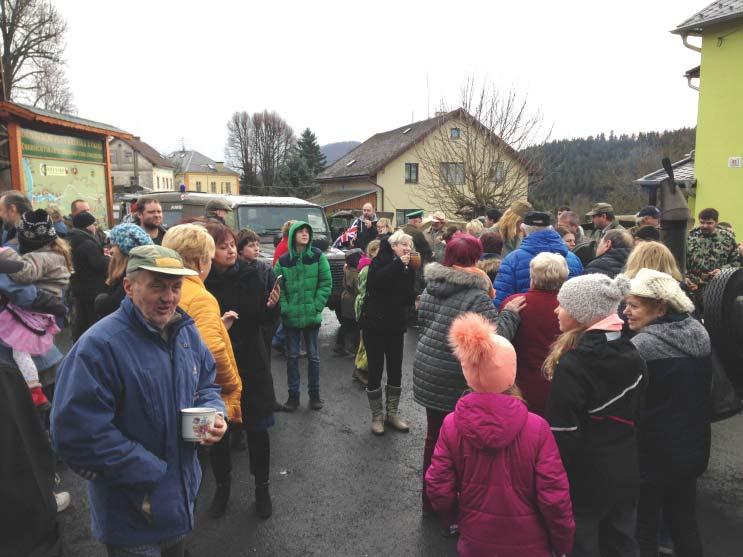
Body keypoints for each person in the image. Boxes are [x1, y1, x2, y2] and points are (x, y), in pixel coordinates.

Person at [51, 245, 227, 556]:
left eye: (175, 287)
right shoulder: (99, 347)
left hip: (180, 502)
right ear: (129, 287)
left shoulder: (185, 333)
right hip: (131, 516)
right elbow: (76, 435)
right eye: (157, 285)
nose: (169, 297)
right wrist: (152, 473)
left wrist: (214, 415)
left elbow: (206, 383)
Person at [426, 312, 575, 557]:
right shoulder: (537, 428)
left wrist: (454, 518)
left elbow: (438, 485)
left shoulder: (452, 424)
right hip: (531, 543)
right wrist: (563, 543)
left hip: (475, 540)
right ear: (511, 373)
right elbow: (554, 496)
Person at [544, 273, 646, 557]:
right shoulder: (632, 352)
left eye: (563, 305)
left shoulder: (573, 364)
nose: (556, 309)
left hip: (584, 479)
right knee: (623, 542)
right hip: (625, 470)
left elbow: (562, 433)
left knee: (583, 545)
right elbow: (639, 413)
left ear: (582, 314)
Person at [624, 269, 711, 557]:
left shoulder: (642, 346)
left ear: (660, 307)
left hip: (652, 451)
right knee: (685, 522)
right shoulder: (699, 333)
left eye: (634, 306)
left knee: (644, 527)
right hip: (692, 446)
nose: (626, 312)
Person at [162, 224, 243, 520]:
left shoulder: (170, 288)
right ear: (199, 261)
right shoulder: (201, 295)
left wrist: (218, 323)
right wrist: (233, 385)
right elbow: (213, 351)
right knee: (205, 450)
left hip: (175, 388)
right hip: (200, 392)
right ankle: (208, 500)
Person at [413, 234, 497, 514]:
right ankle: (453, 507)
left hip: (427, 368)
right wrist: (510, 314)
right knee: (460, 444)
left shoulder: (431, 287)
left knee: (434, 438)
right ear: (476, 259)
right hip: (456, 376)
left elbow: (422, 323)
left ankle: (430, 500)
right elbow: (492, 343)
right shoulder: (477, 296)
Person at [205, 224, 280, 519]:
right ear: (210, 251)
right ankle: (222, 488)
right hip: (217, 366)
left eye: (232, 244)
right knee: (218, 432)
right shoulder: (203, 284)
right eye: (223, 246)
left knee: (258, 429)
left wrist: (273, 307)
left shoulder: (255, 274)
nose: (231, 250)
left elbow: (264, 319)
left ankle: (262, 488)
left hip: (251, 361)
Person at [0, 209, 72, 410]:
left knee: (19, 350)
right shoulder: (53, 253)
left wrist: (7, 254)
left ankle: (35, 390)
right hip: (42, 321)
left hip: (35, 317)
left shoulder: (42, 257)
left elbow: (23, 277)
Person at [495, 253, 569, 416]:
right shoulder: (569, 309)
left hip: (519, 386)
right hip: (560, 385)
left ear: (532, 278)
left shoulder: (515, 303)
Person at [359, 230, 416, 435]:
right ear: (393, 247)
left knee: (395, 370)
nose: (408, 248)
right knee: (375, 370)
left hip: (395, 326)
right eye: (403, 245)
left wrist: (409, 273)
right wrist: (399, 266)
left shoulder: (406, 267)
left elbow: (408, 297)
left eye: (409, 245)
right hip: (374, 326)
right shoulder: (377, 264)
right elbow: (378, 283)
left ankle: (392, 414)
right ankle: (377, 416)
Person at [274, 221, 332, 411]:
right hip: (291, 319)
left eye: (307, 231)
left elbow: (325, 283)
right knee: (291, 357)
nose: (305, 234)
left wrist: (317, 306)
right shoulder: (283, 261)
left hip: (311, 317)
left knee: (314, 357)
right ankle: (293, 397)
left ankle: (314, 395)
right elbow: (278, 289)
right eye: (301, 231)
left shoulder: (317, 256)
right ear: (293, 235)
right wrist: (285, 308)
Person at [493, 211, 583, 308]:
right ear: (551, 229)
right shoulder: (573, 259)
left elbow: (500, 302)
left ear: (522, 230)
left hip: (525, 319)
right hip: (565, 319)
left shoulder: (512, 260)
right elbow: (580, 297)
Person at [685, 207, 739, 313]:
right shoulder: (690, 236)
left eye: (709, 223)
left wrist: (721, 270)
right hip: (692, 284)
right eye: (702, 222)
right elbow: (681, 259)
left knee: (712, 316)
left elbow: (735, 262)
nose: (705, 226)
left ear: (716, 222)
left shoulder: (727, 238)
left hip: (716, 286)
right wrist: (685, 276)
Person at [94, 223, 154, 319]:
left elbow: (111, 306)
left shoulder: (130, 278)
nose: (110, 250)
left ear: (125, 249)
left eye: (114, 245)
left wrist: (101, 301)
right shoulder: (137, 273)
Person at [68, 211, 110, 340]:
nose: (96, 227)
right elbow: (99, 264)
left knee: (82, 318)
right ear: (87, 226)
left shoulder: (72, 239)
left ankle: (78, 341)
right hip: (92, 287)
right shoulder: (87, 242)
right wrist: (109, 259)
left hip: (78, 284)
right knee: (92, 318)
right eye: (94, 224)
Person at [352, 239, 381, 386]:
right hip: (366, 308)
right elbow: (364, 292)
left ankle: (359, 367)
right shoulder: (368, 268)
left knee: (365, 340)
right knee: (367, 341)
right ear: (372, 252)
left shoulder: (372, 266)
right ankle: (361, 369)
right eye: (378, 250)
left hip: (366, 307)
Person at [335, 248, 362, 356]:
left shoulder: (348, 269)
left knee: (347, 323)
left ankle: (340, 345)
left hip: (346, 299)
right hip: (351, 301)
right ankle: (353, 346)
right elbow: (357, 289)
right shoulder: (355, 273)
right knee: (354, 324)